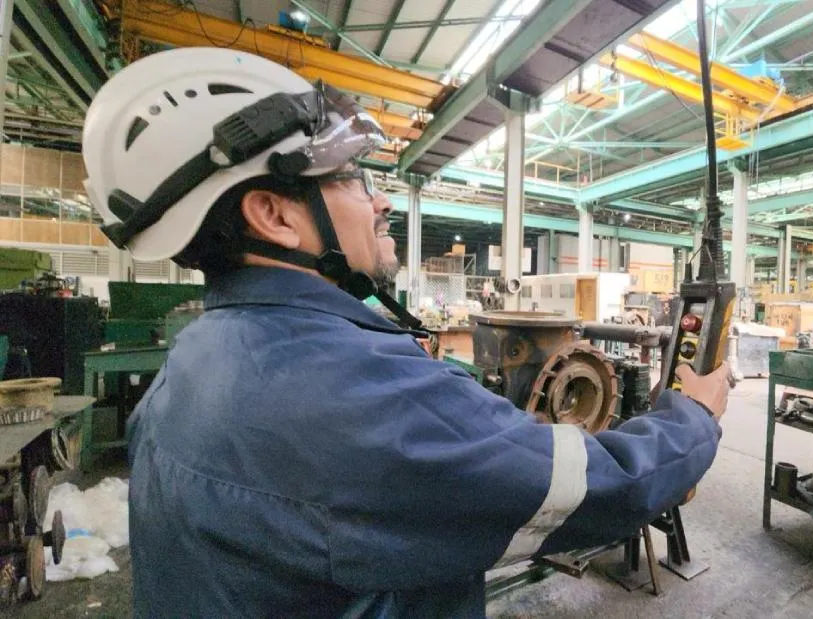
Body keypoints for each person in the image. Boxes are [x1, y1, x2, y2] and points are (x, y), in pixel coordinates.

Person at [82, 47, 731, 617]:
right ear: (274, 214)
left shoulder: (196, 354)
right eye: (351, 175)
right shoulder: (354, 394)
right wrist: (694, 417)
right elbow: (598, 488)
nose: (381, 200)